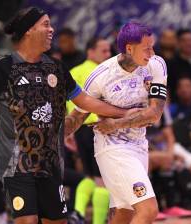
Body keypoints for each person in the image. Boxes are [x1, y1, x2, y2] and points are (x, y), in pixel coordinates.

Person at [0, 7, 129, 224]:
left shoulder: (56, 67)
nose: (52, 29)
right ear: (28, 30)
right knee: (26, 220)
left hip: (51, 162)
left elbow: (85, 101)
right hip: (15, 162)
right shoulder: (4, 67)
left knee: (57, 222)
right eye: (46, 24)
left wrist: (124, 113)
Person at [65, 22, 166, 224]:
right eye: (147, 48)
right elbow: (78, 116)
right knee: (148, 210)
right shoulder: (101, 76)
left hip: (138, 145)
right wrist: (52, 134)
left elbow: (155, 114)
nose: (152, 52)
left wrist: (116, 123)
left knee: (124, 213)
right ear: (129, 48)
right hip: (111, 148)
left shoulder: (156, 65)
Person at [66, 37, 111, 224]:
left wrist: (67, 132)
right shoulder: (103, 72)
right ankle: (98, 222)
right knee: (103, 180)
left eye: (109, 51)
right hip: (98, 128)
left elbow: (62, 103)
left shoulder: (73, 72)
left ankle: (77, 212)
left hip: (78, 129)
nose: (109, 55)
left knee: (89, 177)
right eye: (104, 51)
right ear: (90, 52)